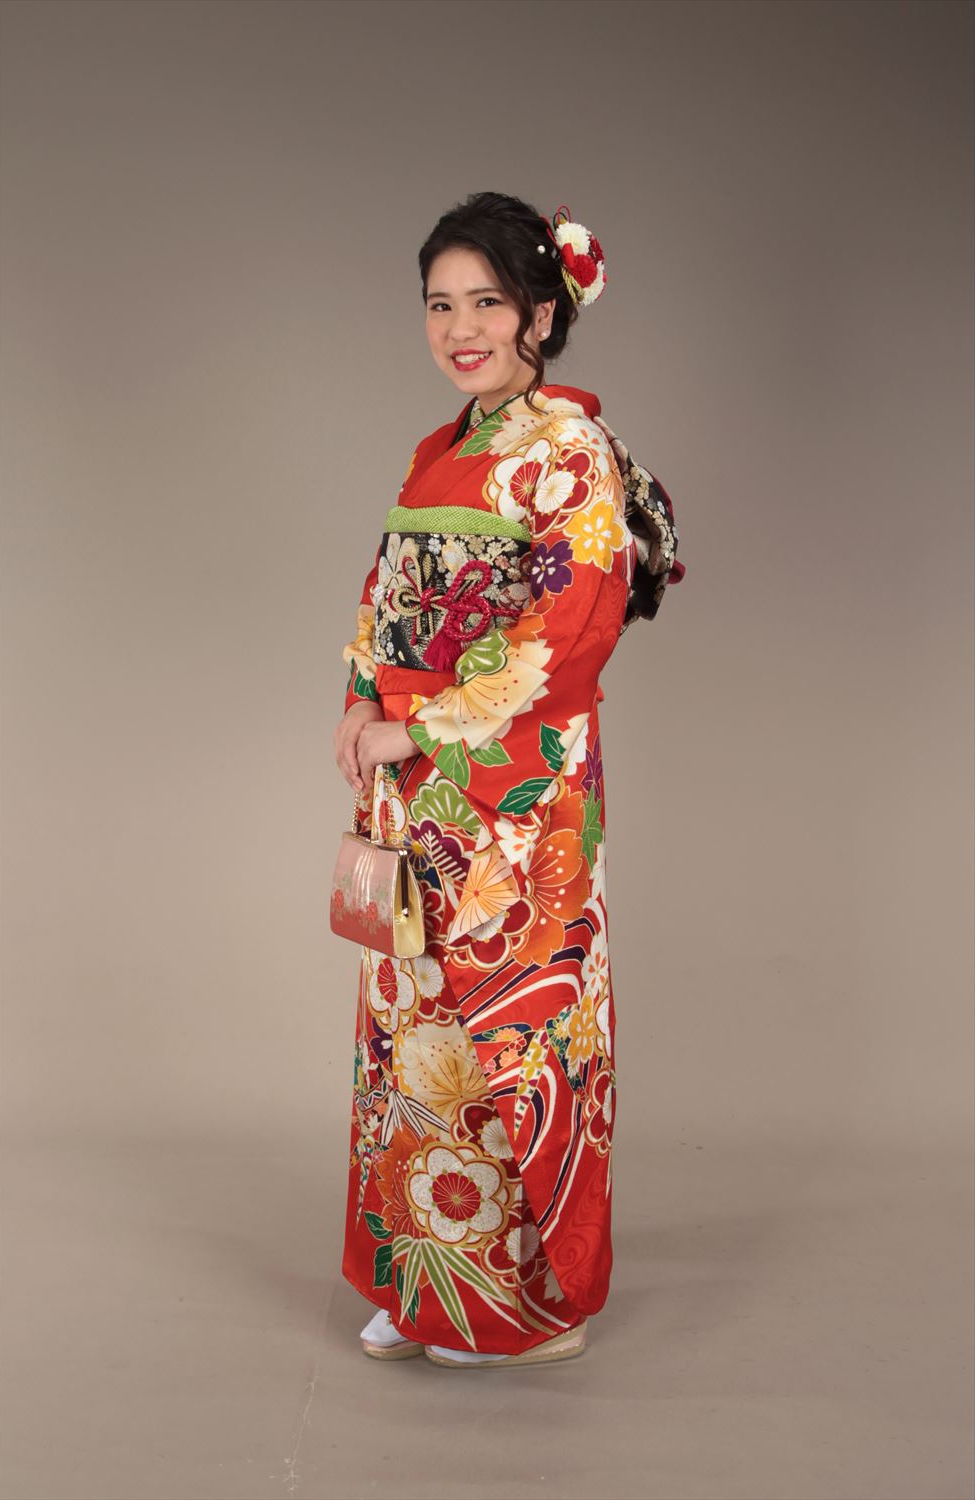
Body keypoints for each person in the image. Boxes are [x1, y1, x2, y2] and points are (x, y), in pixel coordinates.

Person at [334, 192, 659, 1368]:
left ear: (541, 315)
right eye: (440, 304)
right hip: (417, 779)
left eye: (487, 302)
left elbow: (569, 633)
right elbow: (385, 599)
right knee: (413, 1022)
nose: (460, 328)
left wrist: (417, 719)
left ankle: (524, 1304)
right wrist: (363, 695)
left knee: (513, 1033)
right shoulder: (442, 450)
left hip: (518, 793)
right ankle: (425, 1275)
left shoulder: (569, 453)